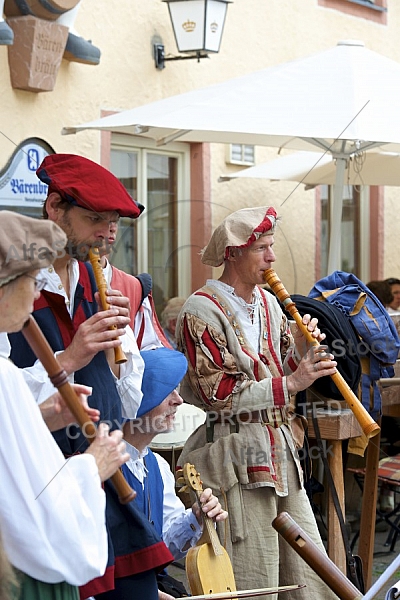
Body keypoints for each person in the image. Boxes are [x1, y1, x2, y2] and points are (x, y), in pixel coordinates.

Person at [7, 154, 174, 600]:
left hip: (113, 493)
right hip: (46, 495)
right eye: (93, 219)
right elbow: (7, 398)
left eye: (114, 223)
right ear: (54, 208)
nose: (106, 233)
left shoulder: (111, 286)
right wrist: (73, 355)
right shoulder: (13, 282)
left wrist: (121, 356)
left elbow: (130, 402)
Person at [176, 206, 340, 599]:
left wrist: (300, 354)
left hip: (280, 453)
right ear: (233, 253)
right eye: (262, 249)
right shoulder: (200, 310)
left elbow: (279, 370)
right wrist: (294, 380)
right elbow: (221, 394)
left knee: (309, 570)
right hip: (235, 456)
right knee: (254, 576)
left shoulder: (270, 304)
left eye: (271, 247)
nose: (272, 257)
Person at [0, 211, 130, 600]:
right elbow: (37, 510)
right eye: (32, 282)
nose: (35, 294)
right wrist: (93, 465)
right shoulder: (4, 376)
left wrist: (38, 417)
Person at [122, 348, 227, 573]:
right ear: (138, 398)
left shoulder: (158, 467)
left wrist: (196, 517)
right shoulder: (103, 468)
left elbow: (165, 547)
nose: (178, 400)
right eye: (166, 392)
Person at [100, 220, 171, 350]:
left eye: (115, 218)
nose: (112, 227)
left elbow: (149, 353)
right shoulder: (56, 280)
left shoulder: (135, 287)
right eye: (98, 215)